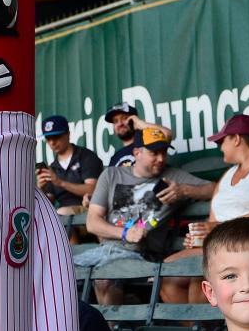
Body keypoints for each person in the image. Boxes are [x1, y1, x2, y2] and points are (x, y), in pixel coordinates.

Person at [159, 112, 249, 304]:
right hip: (223, 245)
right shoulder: (226, 176)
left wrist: (221, 227)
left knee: (198, 276)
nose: (220, 148)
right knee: (165, 274)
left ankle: (210, 330)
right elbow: (213, 223)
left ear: (236, 139)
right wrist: (200, 236)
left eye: (221, 142)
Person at [76, 126, 214, 304]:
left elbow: (214, 188)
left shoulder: (173, 176)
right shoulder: (111, 174)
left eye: (164, 152)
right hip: (105, 250)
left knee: (105, 279)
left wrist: (184, 191)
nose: (161, 158)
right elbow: (92, 222)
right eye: (154, 153)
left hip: (141, 253)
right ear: (137, 153)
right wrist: (126, 232)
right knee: (58, 271)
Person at [37, 114, 104, 219]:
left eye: (56, 137)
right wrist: (41, 190)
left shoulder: (85, 156)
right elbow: (49, 203)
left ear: (68, 134)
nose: (52, 142)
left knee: (61, 213)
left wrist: (60, 183)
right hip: (63, 215)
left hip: (89, 208)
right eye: (48, 138)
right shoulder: (52, 168)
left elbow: (92, 190)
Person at [103, 102, 173, 168]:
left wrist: (141, 124)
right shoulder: (115, 157)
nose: (120, 124)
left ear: (134, 120)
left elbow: (167, 134)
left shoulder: (147, 146)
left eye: (124, 118)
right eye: (115, 121)